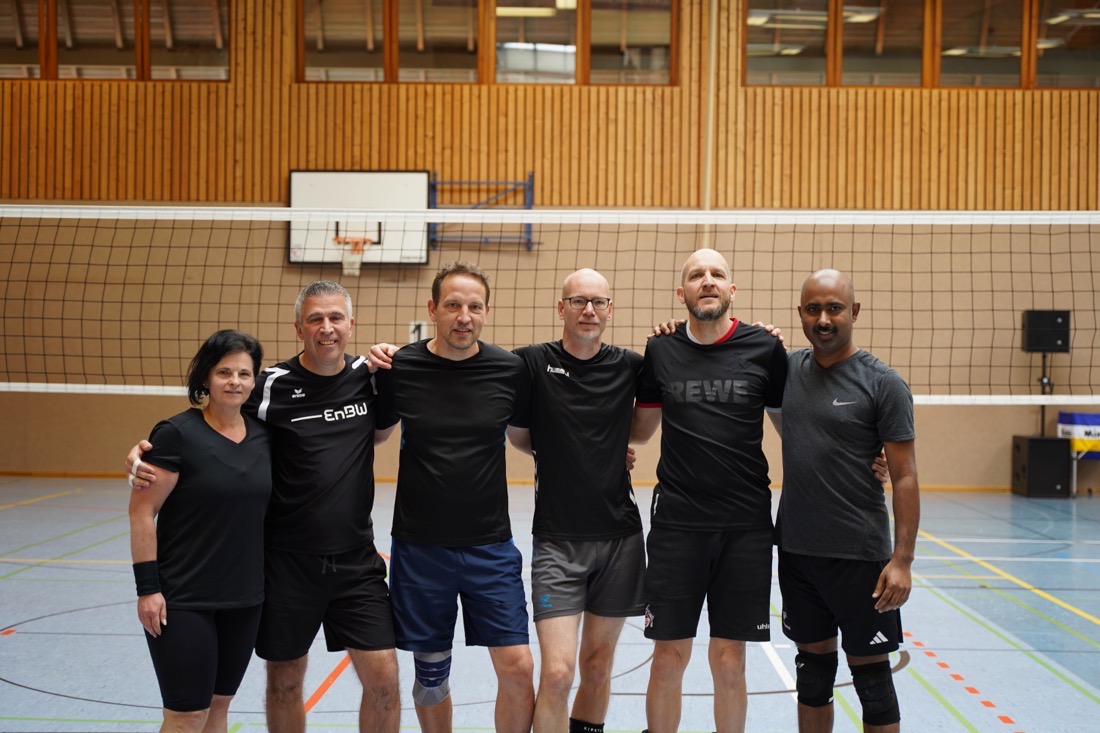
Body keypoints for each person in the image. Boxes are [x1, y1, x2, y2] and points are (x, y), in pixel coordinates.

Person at [128, 281, 400, 733]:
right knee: (284, 681)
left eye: (335, 318)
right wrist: (144, 452)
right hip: (286, 564)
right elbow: (211, 421)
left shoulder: (371, 376)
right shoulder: (268, 385)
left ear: (351, 324)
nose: (326, 328)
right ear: (298, 328)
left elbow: (390, 424)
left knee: (385, 679)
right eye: (315, 319)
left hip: (356, 561)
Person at [371, 261, 535, 733]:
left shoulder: (509, 369)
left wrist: (607, 453)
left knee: (519, 667)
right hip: (420, 549)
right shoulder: (400, 367)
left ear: (486, 312)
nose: (464, 316)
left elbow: (530, 440)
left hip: (490, 546)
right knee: (430, 677)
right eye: (453, 305)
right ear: (433, 309)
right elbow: (372, 434)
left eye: (475, 307)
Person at [629, 248, 787, 733]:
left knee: (729, 659)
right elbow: (640, 431)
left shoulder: (766, 348)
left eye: (717, 273)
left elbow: (797, 430)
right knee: (667, 659)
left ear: (732, 289)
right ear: (682, 293)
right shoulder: (661, 350)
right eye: (697, 275)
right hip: (677, 526)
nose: (708, 280)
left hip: (746, 528)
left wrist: (865, 457)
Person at [774, 269, 919, 733]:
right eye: (813, 309)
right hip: (797, 553)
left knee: (872, 683)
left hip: (859, 557)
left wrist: (902, 560)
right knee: (812, 676)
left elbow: (905, 475)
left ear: (854, 312)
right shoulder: (786, 371)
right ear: (800, 313)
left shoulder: (883, 383)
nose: (823, 319)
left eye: (834, 308)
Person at [509, 269, 647, 733]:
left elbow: (686, 371)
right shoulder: (531, 362)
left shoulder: (631, 366)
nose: (589, 310)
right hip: (557, 541)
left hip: (620, 540)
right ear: (561, 308)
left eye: (598, 302)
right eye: (578, 301)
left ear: (610, 310)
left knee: (598, 667)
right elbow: (520, 437)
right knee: (557, 672)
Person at [128, 329, 271, 733]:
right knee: (187, 714)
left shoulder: (265, 437)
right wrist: (148, 590)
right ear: (206, 377)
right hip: (183, 598)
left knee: (219, 706)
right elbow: (142, 512)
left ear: (254, 381)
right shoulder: (175, 434)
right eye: (224, 372)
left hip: (245, 598)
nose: (234, 381)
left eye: (244, 373)